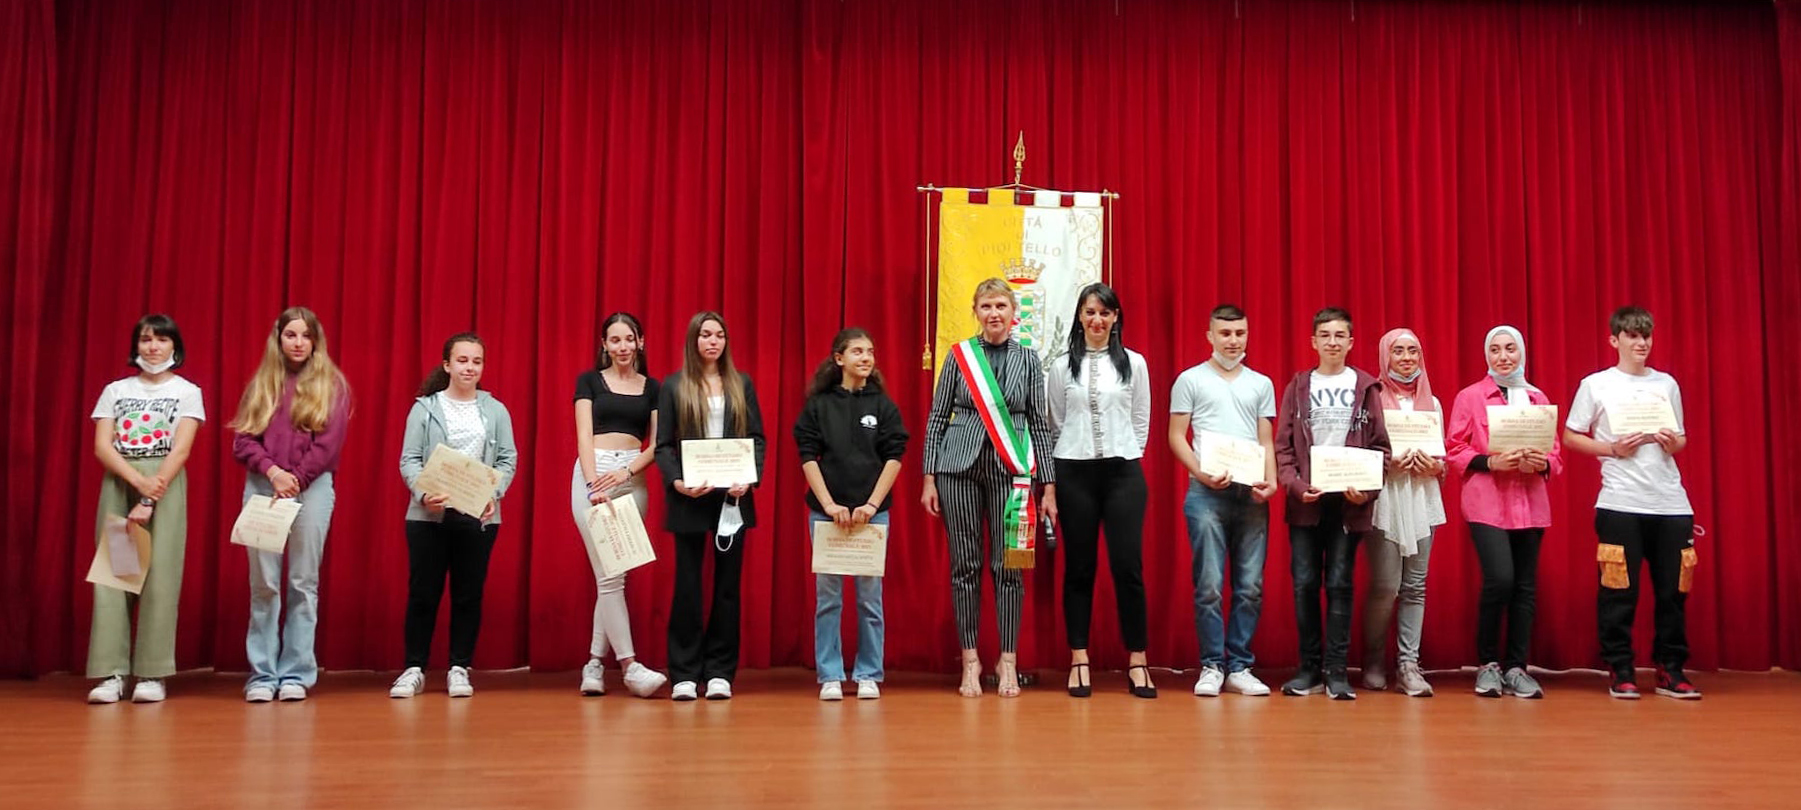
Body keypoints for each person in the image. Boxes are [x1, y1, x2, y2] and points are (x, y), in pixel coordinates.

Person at [921, 278, 1057, 698]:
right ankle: (971, 660)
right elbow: (937, 416)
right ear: (976, 312)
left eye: (1001, 305)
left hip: (1011, 473)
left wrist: (1048, 486)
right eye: (986, 306)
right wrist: (929, 477)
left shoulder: (1029, 360)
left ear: (1014, 312)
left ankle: (1007, 660)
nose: (994, 313)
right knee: (964, 567)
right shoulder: (959, 356)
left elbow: (1039, 423)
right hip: (957, 469)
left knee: (1008, 566)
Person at [1562, 306, 1700, 700]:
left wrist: (1673, 442)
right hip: (1620, 501)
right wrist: (1612, 448)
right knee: (1619, 589)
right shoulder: (1596, 384)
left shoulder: (1666, 384)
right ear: (1615, 340)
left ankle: (1670, 668)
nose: (1642, 343)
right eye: (1633, 336)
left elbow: (1680, 438)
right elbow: (1571, 436)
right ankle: (1620, 667)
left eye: (1646, 336)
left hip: (1670, 503)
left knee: (1673, 592)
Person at [229, 306, 351, 703]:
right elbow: (243, 441)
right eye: (291, 335)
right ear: (278, 340)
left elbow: (328, 446)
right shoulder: (262, 384)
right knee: (264, 583)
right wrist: (273, 472)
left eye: (306, 336)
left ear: (316, 341)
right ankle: (263, 675)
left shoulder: (332, 385)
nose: (298, 343)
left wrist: (294, 478)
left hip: (311, 488)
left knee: (302, 582)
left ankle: (296, 673)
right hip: (263, 486)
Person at [388, 333, 518, 699]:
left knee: (468, 595)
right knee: (423, 594)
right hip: (428, 516)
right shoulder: (424, 408)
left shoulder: (496, 410)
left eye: (476, 361)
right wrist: (423, 493)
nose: (469, 368)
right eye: (462, 360)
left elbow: (507, 460)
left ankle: (460, 668)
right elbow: (410, 459)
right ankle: (414, 668)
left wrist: (492, 493)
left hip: (477, 517)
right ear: (447, 365)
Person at [85, 314, 205, 704]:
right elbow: (102, 446)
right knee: (118, 576)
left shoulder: (187, 392)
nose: (153, 347)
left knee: (160, 578)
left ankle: (152, 673)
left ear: (175, 346)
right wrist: (137, 484)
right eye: (146, 339)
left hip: (163, 484)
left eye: (161, 340)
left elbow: (181, 449)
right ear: (136, 346)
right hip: (122, 481)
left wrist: (151, 495)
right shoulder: (116, 390)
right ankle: (112, 672)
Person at [1274, 306, 1390, 700]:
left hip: (1349, 503)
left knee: (1340, 583)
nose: (1333, 342)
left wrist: (1367, 490)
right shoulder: (1298, 386)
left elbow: (1381, 449)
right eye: (1325, 335)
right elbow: (1283, 447)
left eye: (1340, 336)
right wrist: (1295, 486)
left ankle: (1337, 671)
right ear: (1314, 342)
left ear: (1351, 342)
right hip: (1307, 502)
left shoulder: (1367, 387)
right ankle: (1309, 669)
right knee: (1305, 583)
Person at [1048, 284, 1155, 698]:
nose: (1097, 320)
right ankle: (1079, 657)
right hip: (1074, 472)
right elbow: (1056, 421)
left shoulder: (1135, 363)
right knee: (1079, 568)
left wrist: (1122, 451)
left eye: (1105, 313)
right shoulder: (1061, 367)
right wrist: (1077, 454)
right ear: (1080, 316)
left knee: (1128, 567)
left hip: (1123, 473)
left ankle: (1138, 659)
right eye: (1090, 312)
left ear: (1115, 318)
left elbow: (1141, 418)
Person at [1446, 325, 1562, 699]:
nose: (1503, 356)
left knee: (1525, 587)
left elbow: (1556, 455)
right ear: (1487, 355)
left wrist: (1542, 463)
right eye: (1495, 350)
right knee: (1500, 579)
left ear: (1521, 352)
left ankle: (1517, 667)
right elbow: (1454, 448)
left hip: (1530, 503)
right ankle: (1488, 664)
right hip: (1487, 503)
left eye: (1510, 349)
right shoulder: (1470, 397)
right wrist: (1490, 462)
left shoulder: (1537, 397)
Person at [1168, 304, 1278, 698]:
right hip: (1206, 494)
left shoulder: (1261, 384)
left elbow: (1265, 440)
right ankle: (1212, 665)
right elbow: (1176, 436)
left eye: (1240, 333)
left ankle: (1240, 666)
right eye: (1225, 333)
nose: (1233, 341)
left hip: (1250, 494)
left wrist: (1271, 481)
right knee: (1209, 585)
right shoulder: (1190, 380)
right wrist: (1200, 472)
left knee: (1250, 585)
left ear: (1247, 335)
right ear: (1210, 336)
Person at [655, 311, 766, 701]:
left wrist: (748, 478)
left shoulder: (741, 383)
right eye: (705, 335)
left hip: (732, 498)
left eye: (719, 335)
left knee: (727, 588)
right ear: (694, 340)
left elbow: (756, 438)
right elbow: (663, 446)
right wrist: (678, 482)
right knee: (687, 585)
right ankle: (684, 673)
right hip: (691, 497)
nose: (713, 341)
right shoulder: (674, 385)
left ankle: (720, 671)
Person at [793, 328, 907, 701]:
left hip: (871, 517)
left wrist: (871, 505)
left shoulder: (883, 406)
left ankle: (868, 673)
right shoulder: (819, 405)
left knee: (870, 599)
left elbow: (894, 457)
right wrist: (829, 505)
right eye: (857, 351)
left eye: (870, 351)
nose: (866, 357)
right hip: (828, 515)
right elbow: (808, 456)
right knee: (829, 598)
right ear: (839, 358)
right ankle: (830, 674)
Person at [570, 313, 668, 698]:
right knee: (610, 577)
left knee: (612, 574)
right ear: (604, 345)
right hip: (593, 475)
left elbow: (657, 444)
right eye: (615, 340)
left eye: (629, 339)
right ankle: (630, 666)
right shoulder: (589, 381)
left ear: (640, 341)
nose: (623, 347)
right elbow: (583, 435)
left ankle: (594, 663)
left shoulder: (653, 387)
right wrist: (593, 483)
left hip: (631, 477)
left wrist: (626, 473)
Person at [1360, 328, 1446, 697]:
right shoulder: (1371, 398)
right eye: (1398, 351)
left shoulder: (1433, 402)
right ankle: (1373, 659)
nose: (1407, 358)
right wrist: (1388, 462)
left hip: (1422, 497)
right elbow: (1360, 451)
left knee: (1415, 586)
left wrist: (1435, 466)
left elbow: (1442, 458)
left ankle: (1409, 664)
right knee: (1386, 585)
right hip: (1386, 497)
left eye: (1413, 351)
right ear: (1386, 356)